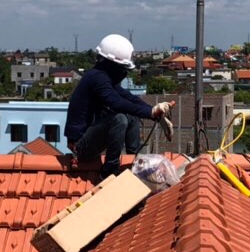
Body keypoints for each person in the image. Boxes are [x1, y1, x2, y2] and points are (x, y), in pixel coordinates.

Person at [65, 34, 172, 178]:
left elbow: (129, 98)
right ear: (112, 64)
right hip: (80, 146)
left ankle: (133, 160)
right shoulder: (97, 78)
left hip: (90, 138)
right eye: (123, 67)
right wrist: (150, 112)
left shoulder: (103, 77)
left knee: (131, 115)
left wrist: (155, 113)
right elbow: (116, 102)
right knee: (119, 119)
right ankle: (109, 171)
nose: (124, 72)